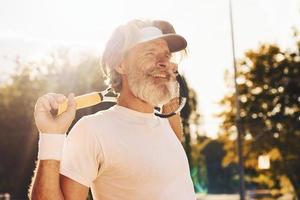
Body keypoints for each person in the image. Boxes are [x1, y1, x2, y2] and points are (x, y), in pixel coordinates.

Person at [29, 19, 196, 200]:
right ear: (120, 64)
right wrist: (51, 136)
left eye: (167, 56)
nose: (165, 62)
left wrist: (168, 94)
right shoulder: (93, 130)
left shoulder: (167, 126)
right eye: (150, 53)